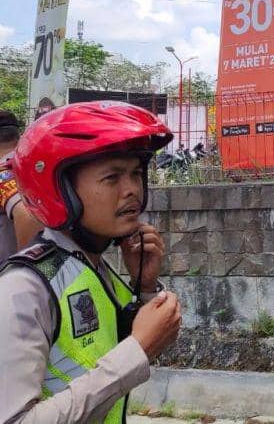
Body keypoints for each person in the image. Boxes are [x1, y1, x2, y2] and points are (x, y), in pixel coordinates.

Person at [0, 101, 182, 423]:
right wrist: (136, 352)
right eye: (112, 177)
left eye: (136, 174)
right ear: (60, 191)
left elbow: (107, 352)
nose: (132, 191)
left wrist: (145, 287)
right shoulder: (25, 288)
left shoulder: (91, 265)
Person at [0, 111, 42, 259]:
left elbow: (27, 215)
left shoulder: (5, 173)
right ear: (18, 136)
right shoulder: (36, 165)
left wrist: (27, 269)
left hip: (11, 275)